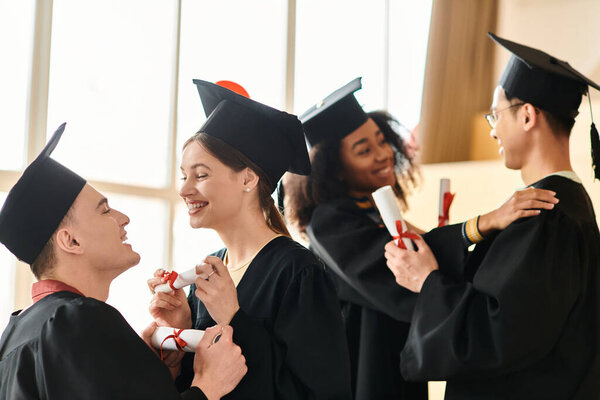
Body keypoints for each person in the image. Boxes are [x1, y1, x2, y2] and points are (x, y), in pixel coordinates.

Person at [285, 77, 559, 399]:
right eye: (364, 150)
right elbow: (399, 267)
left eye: (381, 140)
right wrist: (484, 223)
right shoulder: (330, 224)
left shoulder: (371, 212)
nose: (383, 154)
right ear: (337, 169)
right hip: (365, 373)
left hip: (398, 366)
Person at [384, 33, 600, 399]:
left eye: (495, 114)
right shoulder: (567, 205)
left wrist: (428, 283)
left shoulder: (545, 215)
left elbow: (501, 332)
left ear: (528, 115)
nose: (492, 127)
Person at [0, 123, 247, 400]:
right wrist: (207, 387)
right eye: (104, 210)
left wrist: (151, 372)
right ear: (71, 242)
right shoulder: (79, 319)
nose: (123, 218)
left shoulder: (14, 333)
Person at [147, 80, 352, 400]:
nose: (184, 189)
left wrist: (234, 318)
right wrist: (181, 337)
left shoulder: (299, 273)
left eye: (200, 175)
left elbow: (321, 394)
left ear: (247, 178)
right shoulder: (208, 274)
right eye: (183, 175)